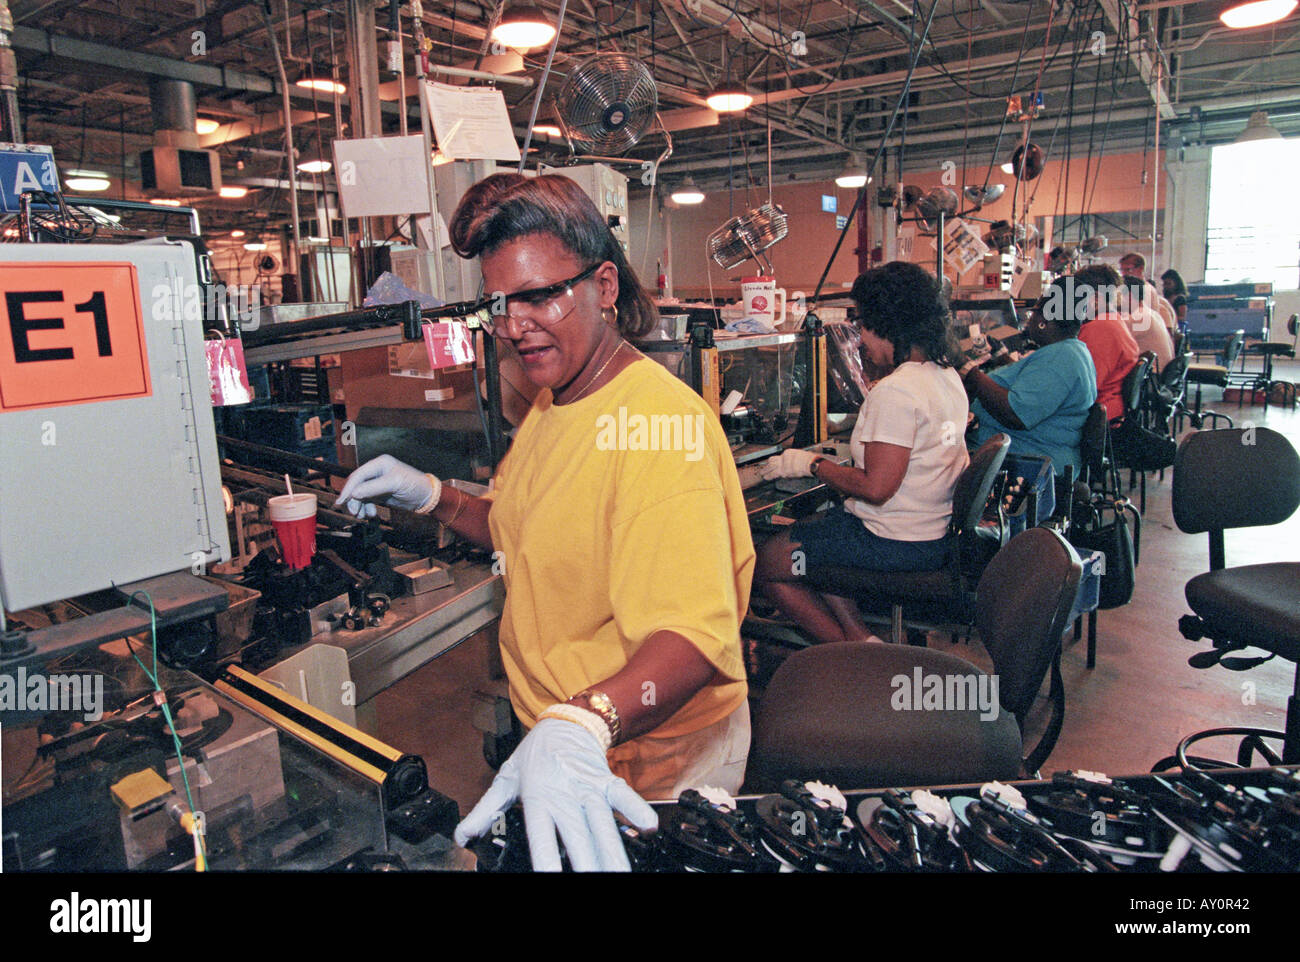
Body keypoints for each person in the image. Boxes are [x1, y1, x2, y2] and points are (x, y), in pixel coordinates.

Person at [334, 173, 755, 871]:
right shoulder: (557, 402)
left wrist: (586, 720)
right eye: (500, 304)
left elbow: (690, 640)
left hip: (650, 767)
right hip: (569, 739)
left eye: (539, 296)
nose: (514, 325)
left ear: (606, 287)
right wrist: (437, 497)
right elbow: (521, 528)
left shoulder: (660, 428)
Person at [753, 262, 969, 645]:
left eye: (864, 325)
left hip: (893, 542)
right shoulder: (946, 376)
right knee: (825, 524)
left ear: (888, 325)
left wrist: (812, 464)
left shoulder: (897, 391)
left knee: (768, 563)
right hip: (933, 534)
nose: (861, 340)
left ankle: (852, 653)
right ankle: (858, 633)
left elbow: (877, 488)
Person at [964, 276, 1098, 477]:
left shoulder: (1060, 359)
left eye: (1033, 313)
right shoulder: (1071, 351)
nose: (1029, 319)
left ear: (1045, 321)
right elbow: (1034, 385)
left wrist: (969, 371)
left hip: (1028, 463)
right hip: (1029, 453)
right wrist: (1002, 359)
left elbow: (1015, 414)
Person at [1075, 264, 1140, 422]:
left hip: (1098, 418)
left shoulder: (1100, 328)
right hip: (1108, 411)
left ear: (1095, 299)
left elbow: (1082, 390)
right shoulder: (1113, 320)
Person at [1121, 275, 1174, 370]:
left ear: (1129, 295)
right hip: (1161, 374)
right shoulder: (1152, 314)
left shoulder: (1137, 318)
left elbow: (1115, 344)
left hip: (1151, 376)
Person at [1119, 251, 1178, 334]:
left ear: (1141, 268)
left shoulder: (1145, 290)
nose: (1124, 274)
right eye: (1122, 270)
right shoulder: (1135, 289)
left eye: (1128, 269)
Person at [1161, 268, 1190, 334]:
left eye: (1169, 284)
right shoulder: (1165, 298)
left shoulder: (1180, 299)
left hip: (1176, 329)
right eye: (1165, 284)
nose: (1166, 286)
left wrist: (1169, 318)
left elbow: (1182, 317)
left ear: (1176, 284)